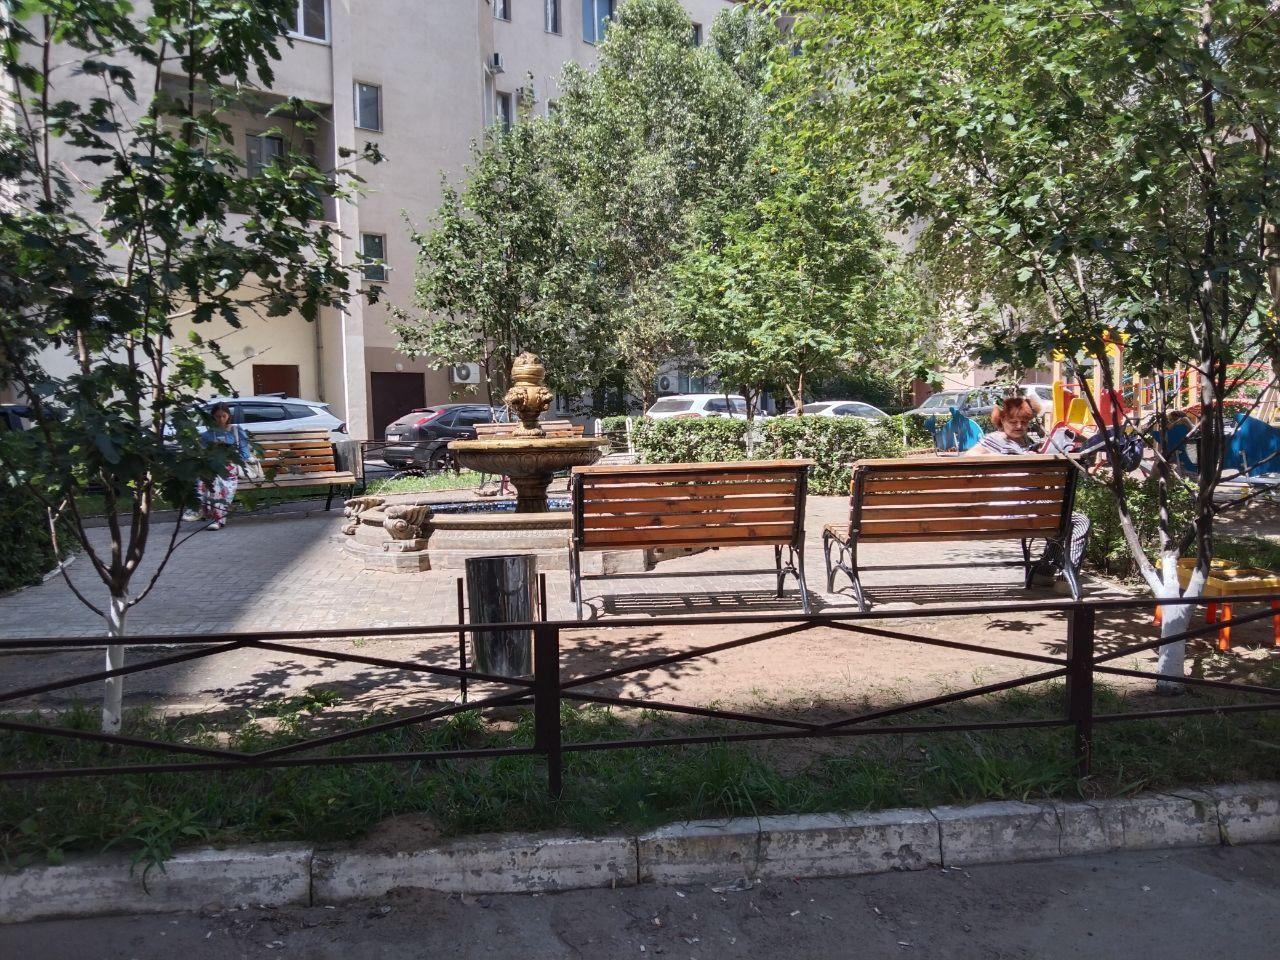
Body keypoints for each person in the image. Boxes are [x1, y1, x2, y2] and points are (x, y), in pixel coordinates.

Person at [969, 395, 1091, 583]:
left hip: (1023, 508)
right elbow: (969, 456)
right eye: (1013, 422)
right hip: (1013, 511)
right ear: (1001, 420)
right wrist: (1007, 460)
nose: (1019, 426)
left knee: (1058, 520)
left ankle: (1043, 573)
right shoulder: (996, 439)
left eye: (1024, 422)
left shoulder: (1026, 441)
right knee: (1078, 521)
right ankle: (1066, 580)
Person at [187, 402, 252, 530]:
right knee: (208, 480)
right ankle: (207, 514)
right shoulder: (207, 435)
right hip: (212, 468)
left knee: (215, 482)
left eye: (224, 416)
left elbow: (245, 454)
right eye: (217, 416)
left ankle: (206, 514)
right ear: (213, 416)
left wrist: (230, 455)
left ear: (228, 416)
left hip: (230, 468)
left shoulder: (236, 431)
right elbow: (201, 455)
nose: (221, 419)